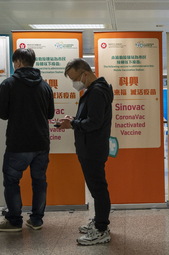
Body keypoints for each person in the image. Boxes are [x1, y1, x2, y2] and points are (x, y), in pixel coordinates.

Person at [59, 58, 113, 245]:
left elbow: (94, 122)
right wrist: (75, 119)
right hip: (91, 146)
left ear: (86, 73)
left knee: (98, 189)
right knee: (96, 188)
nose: (75, 83)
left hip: (93, 148)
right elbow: (92, 118)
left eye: (75, 78)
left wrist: (72, 123)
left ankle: (101, 229)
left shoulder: (97, 91)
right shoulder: (96, 89)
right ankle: (99, 222)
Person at [0, 48, 54, 232]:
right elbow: (50, 114)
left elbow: (3, 114)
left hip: (18, 143)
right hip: (41, 143)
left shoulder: (8, 84)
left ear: (18, 62)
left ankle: (15, 221)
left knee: (12, 181)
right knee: (39, 181)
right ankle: (36, 220)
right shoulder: (45, 86)